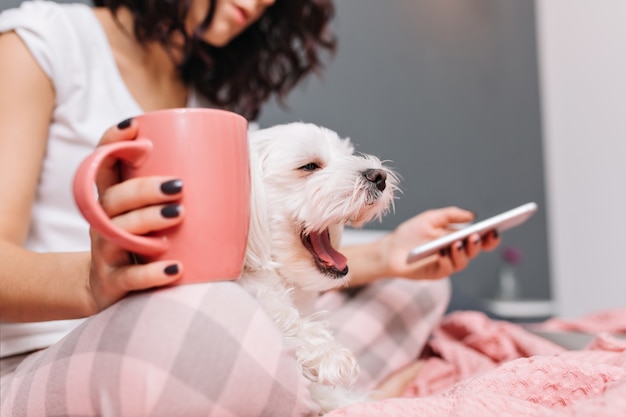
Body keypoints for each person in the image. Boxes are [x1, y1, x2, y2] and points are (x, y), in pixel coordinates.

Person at [0, 0, 499, 415]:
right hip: (49, 353)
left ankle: (296, 392)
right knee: (215, 313)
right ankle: (334, 397)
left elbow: (243, 254)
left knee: (415, 290)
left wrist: (389, 255)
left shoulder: (204, 100)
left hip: (214, 318)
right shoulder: (42, 42)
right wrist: (93, 281)